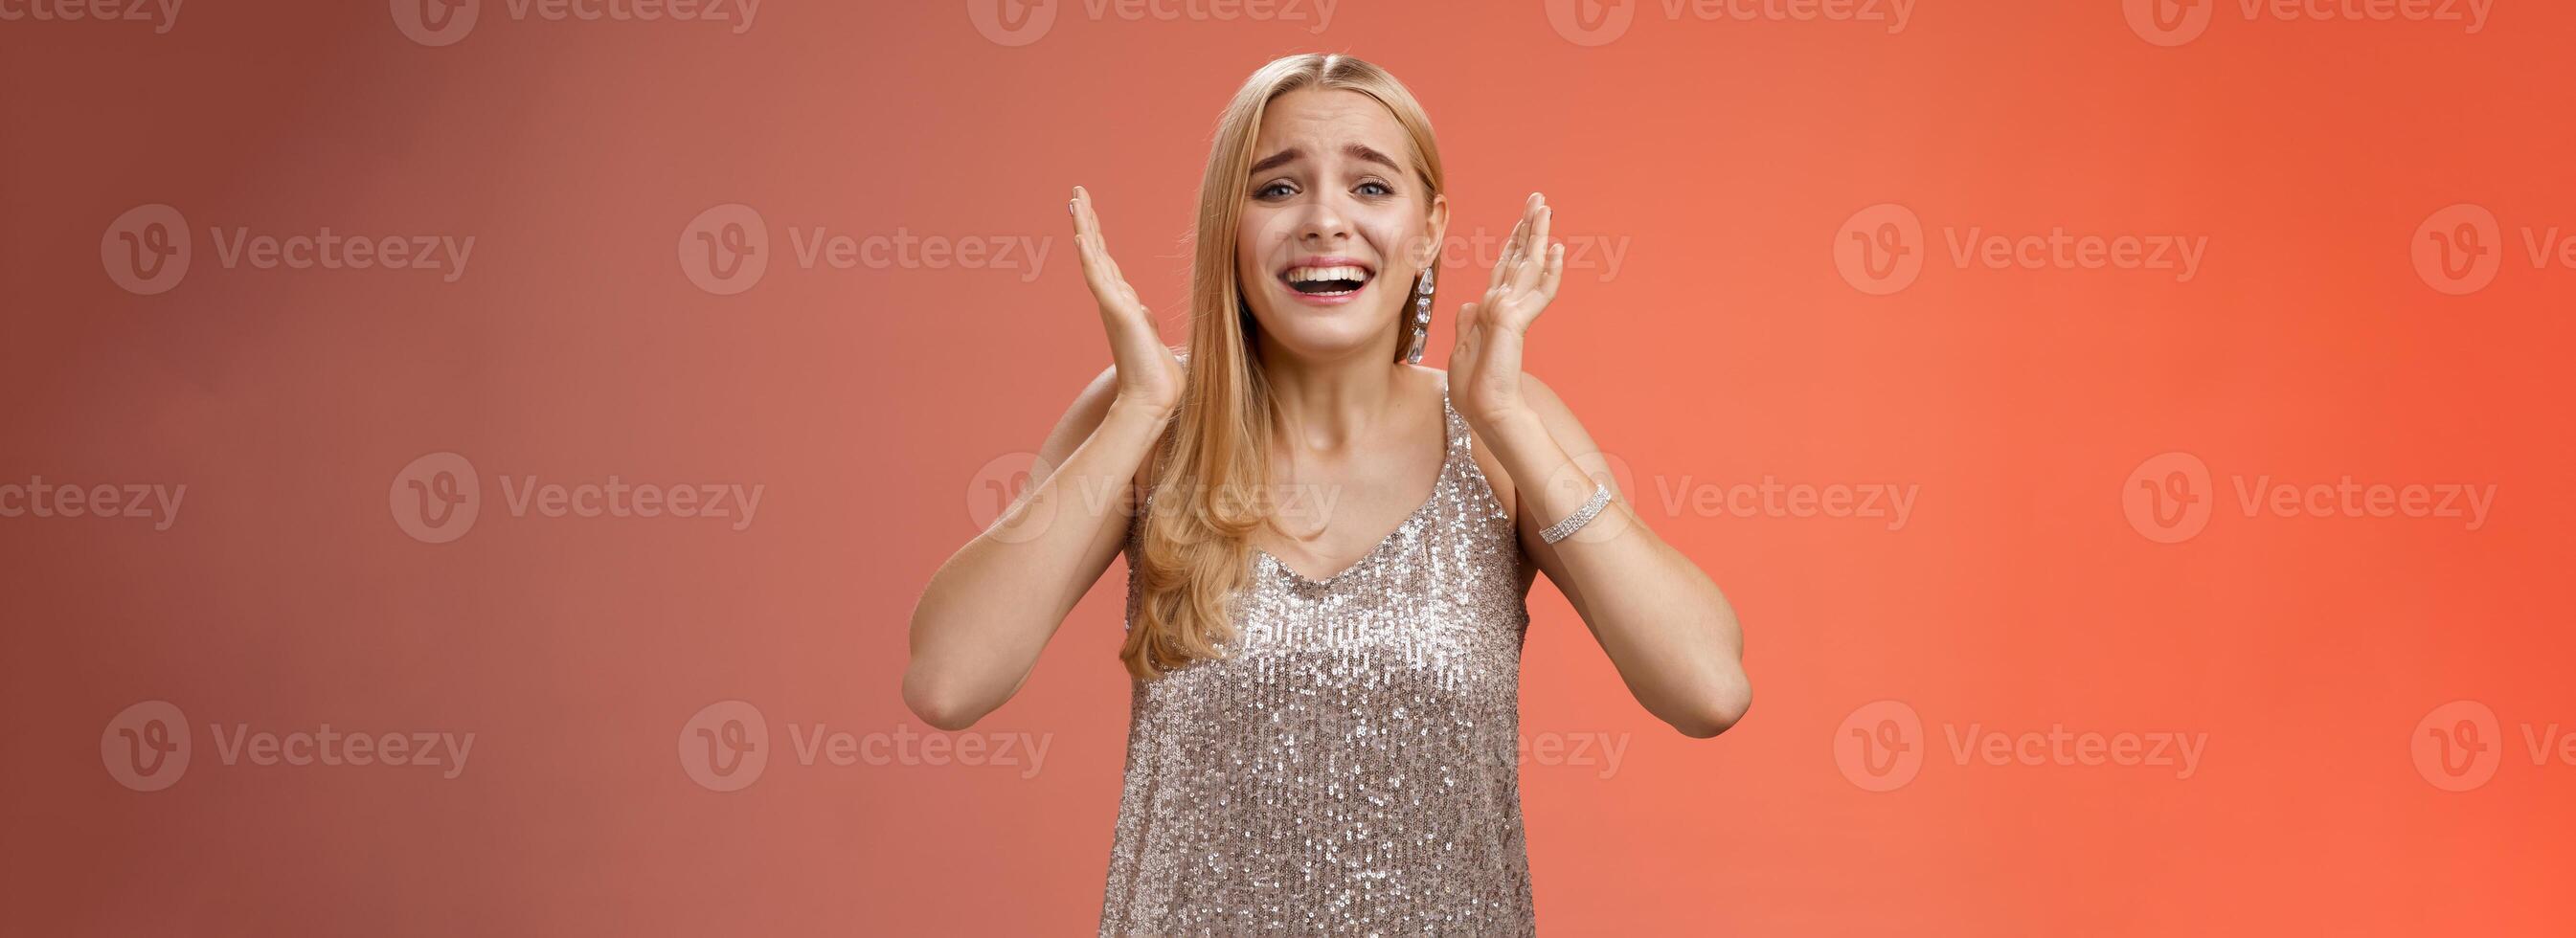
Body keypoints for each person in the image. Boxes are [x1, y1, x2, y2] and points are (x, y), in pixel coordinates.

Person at [905, 53, 1751, 935]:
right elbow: (947, 680)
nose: (1323, 221)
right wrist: (1142, 409)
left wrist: (1504, 414)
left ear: (1430, 231)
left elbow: (1707, 688)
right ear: (1226, 228)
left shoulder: (1502, 433)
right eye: (1276, 190)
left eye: (1372, 187)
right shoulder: (1147, 417)